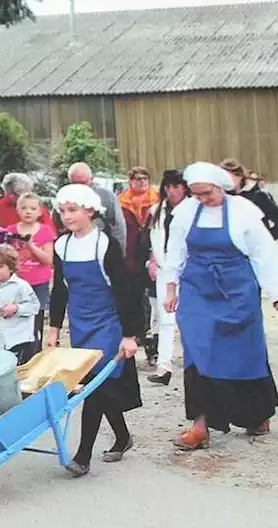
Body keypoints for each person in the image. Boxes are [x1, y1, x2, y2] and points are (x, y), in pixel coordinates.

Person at [163, 162, 278, 451]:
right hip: (197, 288)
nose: (202, 199)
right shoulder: (184, 213)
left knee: (243, 353)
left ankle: (255, 415)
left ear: (220, 187)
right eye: (196, 195)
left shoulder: (244, 212)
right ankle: (200, 425)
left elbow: (263, 253)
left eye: (206, 193)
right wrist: (171, 287)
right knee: (197, 352)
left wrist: (276, 292)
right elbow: (175, 251)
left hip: (237, 289)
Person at [46, 184, 142, 476]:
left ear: (90, 211)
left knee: (93, 387)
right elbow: (60, 291)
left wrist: (129, 335)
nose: (66, 216)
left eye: (72, 210)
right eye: (63, 211)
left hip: (108, 324)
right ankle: (123, 437)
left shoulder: (104, 244)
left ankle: (83, 456)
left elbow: (125, 292)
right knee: (101, 384)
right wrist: (53, 329)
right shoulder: (61, 245)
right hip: (80, 324)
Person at [145, 169, 188, 385]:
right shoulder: (156, 211)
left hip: (188, 272)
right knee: (165, 319)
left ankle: (195, 363)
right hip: (164, 269)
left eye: (176, 187)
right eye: (168, 187)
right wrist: (151, 259)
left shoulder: (193, 210)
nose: (172, 191)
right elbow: (150, 240)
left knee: (189, 320)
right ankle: (164, 366)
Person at [118, 166, 160, 360]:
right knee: (136, 299)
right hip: (131, 255)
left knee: (155, 301)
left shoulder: (158, 199)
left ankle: (154, 344)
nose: (142, 182)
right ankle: (139, 335)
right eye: (138, 179)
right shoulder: (121, 202)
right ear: (130, 181)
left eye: (145, 178)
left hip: (153, 254)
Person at [6, 192, 56, 350]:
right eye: (24, 208)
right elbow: (6, 257)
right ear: (17, 210)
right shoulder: (10, 231)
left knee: (35, 323)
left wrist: (31, 245)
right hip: (16, 284)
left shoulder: (46, 231)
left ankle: (34, 352)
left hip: (38, 284)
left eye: (32, 208)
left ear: (40, 211)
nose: (28, 211)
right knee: (16, 320)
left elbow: (49, 259)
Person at [220, 158, 278, 239]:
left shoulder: (258, 196)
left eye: (227, 177)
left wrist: (264, 239)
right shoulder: (222, 198)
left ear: (239, 176)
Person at [68, 162, 128, 251]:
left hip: (101, 248)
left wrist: (118, 252)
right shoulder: (65, 196)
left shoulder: (105, 196)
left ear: (92, 179)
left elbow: (118, 226)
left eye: (83, 183)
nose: (80, 187)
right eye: (75, 183)